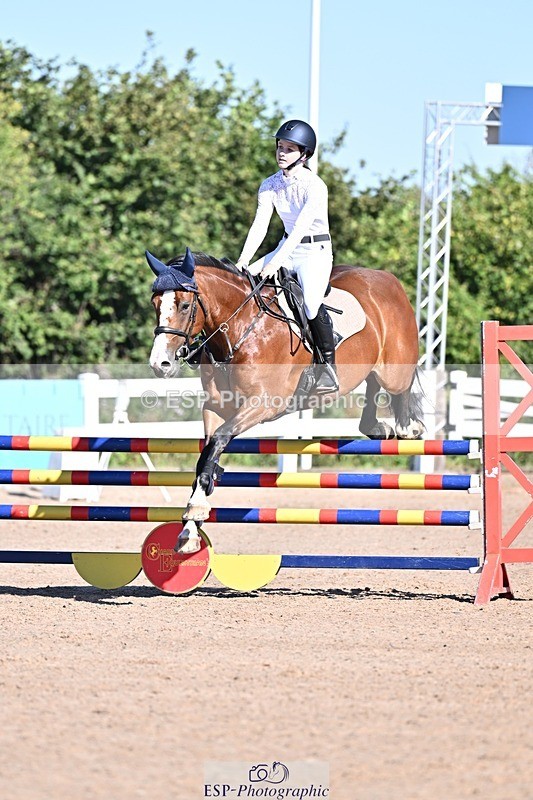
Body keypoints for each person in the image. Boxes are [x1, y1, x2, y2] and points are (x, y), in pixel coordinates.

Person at [235, 119, 338, 393]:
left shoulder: (315, 186)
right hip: (286, 247)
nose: (281, 153)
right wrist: (243, 260)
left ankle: (328, 368)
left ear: (304, 154)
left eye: (289, 149)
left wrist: (276, 263)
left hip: (314, 252)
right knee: (242, 285)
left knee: (311, 304)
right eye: (280, 147)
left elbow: (301, 228)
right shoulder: (269, 185)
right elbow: (260, 225)